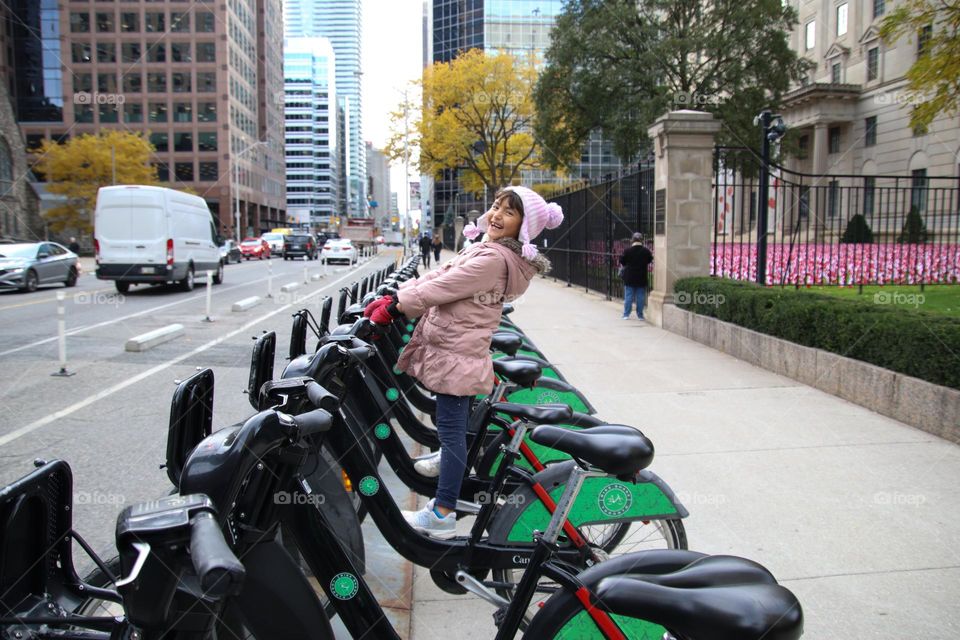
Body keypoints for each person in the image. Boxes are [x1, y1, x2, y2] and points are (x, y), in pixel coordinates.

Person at [364, 186, 563, 538]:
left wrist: (396, 307)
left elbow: (446, 286)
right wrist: (396, 296)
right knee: (451, 428)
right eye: (497, 205)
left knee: (453, 432)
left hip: (459, 354)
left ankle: (442, 510)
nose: (497, 214)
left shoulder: (493, 259)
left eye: (510, 212)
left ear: (524, 227)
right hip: (457, 349)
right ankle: (448, 462)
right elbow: (439, 275)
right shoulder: (489, 250)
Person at [619, 232, 653, 320]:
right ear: (641, 240)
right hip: (641, 276)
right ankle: (640, 315)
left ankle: (626, 314)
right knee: (640, 297)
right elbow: (649, 260)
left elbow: (622, 261)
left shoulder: (627, 251)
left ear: (632, 240)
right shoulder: (646, 251)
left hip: (629, 277)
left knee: (628, 296)